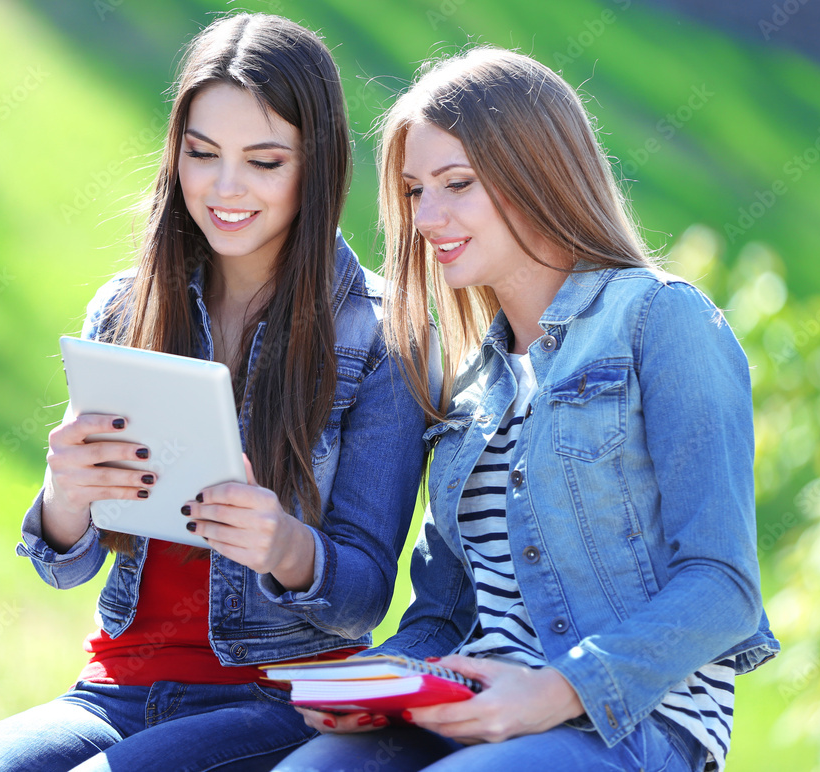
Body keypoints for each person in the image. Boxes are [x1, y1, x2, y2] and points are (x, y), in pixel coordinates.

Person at [0, 13, 432, 772]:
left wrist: (286, 546)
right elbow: (62, 564)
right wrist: (64, 502)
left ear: (317, 165)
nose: (225, 189)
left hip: (277, 696)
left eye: (264, 162)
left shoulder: (384, 334)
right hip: (114, 690)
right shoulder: (125, 307)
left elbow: (365, 595)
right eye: (202, 154)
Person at [274, 47, 780, 772]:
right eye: (416, 190)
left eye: (458, 184)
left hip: (629, 722)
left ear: (536, 172)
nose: (428, 216)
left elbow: (724, 584)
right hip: (470, 712)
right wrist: (369, 684)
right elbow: (442, 617)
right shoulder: (472, 386)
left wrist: (557, 689)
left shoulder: (661, 321)